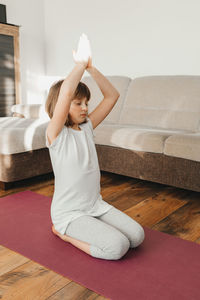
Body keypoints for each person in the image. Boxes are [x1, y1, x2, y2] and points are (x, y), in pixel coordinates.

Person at [45, 33, 145, 260]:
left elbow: (112, 96)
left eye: (86, 103)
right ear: (60, 105)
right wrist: (79, 64)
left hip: (95, 206)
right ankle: (65, 234)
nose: (85, 108)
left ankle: (87, 227)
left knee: (137, 237)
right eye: (78, 103)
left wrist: (91, 67)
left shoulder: (87, 127)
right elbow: (66, 91)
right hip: (69, 214)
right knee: (117, 247)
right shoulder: (56, 135)